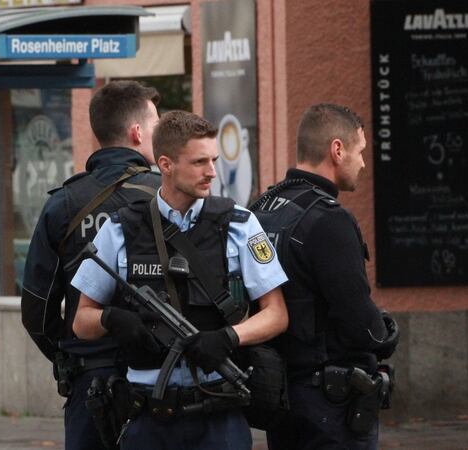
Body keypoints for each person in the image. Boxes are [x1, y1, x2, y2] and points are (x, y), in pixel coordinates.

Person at [71, 110, 289, 450]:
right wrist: (111, 318)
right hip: (148, 415)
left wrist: (230, 337)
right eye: (199, 162)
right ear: (166, 164)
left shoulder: (239, 225)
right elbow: (81, 322)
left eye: (214, 160)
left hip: (219, 412)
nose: (212, 172)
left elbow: (277, 313)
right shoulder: (119, 229)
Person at [20, 80, 161, 450]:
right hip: (161, 383)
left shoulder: (64, 203)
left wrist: (70, 353)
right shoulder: (167, 196)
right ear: (137, 132)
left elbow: (36, 309)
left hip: (90, 383)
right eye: (156, 125)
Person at [251, 103, 398, 450]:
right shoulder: (329, 219)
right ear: (337, 150)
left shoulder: (261, 208)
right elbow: (360, 322)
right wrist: (386, 334)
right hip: (329, 403)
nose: (363, 163)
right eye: (360, 152)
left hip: (279, 393)